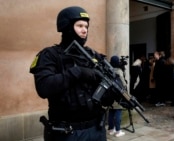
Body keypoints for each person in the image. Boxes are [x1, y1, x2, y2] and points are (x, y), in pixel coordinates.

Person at [29, 6, 114, 141]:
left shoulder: (94, 56)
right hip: (67, 133)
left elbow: (106, 92)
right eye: (79, 25)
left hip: (96, 130)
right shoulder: (50, 55)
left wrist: (114, 89)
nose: (84, 30)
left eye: (86, 26)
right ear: (66, 27)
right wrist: (78, 72)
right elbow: (44, 87)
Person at [107, 56, 126, 137]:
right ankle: (118, 131)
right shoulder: (119, 71)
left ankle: (111, 129)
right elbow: (123, 83)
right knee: (118, 111)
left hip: (110, 94)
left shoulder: (108, 69)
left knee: (111, 112)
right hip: (117, 94)